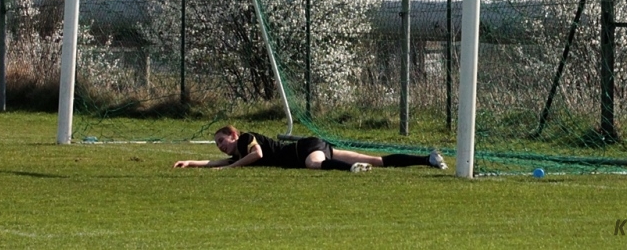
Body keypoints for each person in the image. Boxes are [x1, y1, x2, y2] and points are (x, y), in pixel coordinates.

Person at [173, 125, 448, 173]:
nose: (221, 147)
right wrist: (191, 162)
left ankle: (351, 169)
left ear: (233, 135)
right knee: (378, 160)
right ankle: (428, 159)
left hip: (304, 148)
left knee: (313, 164)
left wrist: (233, 167)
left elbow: (258, 155)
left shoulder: (247, 138)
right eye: (218, 145)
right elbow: (217, 163)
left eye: (222, 141)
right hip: (316, 146)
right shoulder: (237, 154)